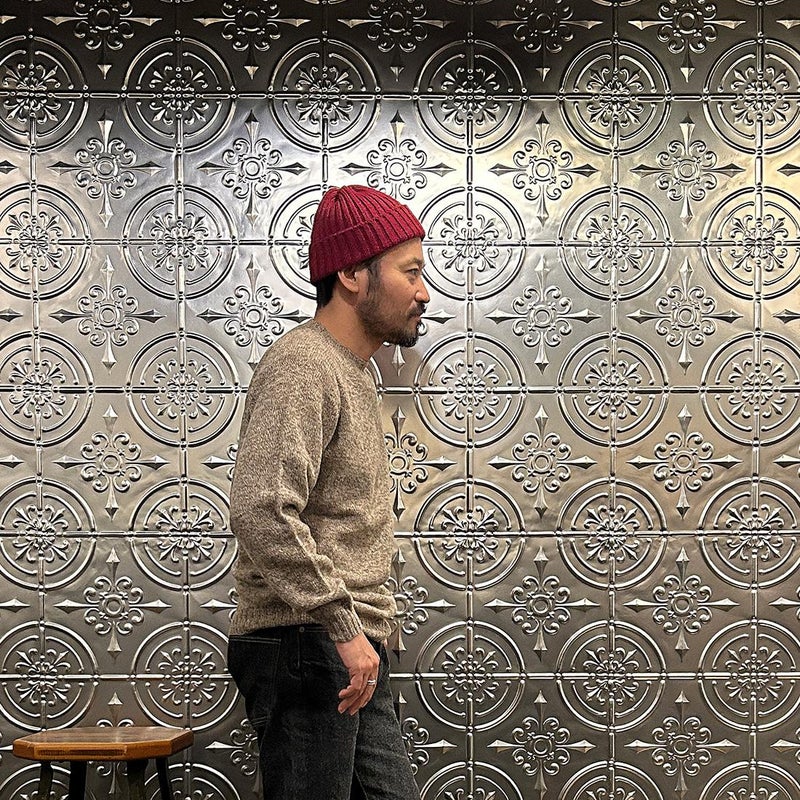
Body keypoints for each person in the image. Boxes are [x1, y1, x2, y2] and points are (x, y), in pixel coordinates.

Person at [227, 184, 430, 800]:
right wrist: (342, 627)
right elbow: (262, 507)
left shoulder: (352, 371)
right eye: (410, 272)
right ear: (351, 274)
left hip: (342, 644)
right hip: (308, 642)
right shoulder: (304, 365)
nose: (424, 292)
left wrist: (356, 632)